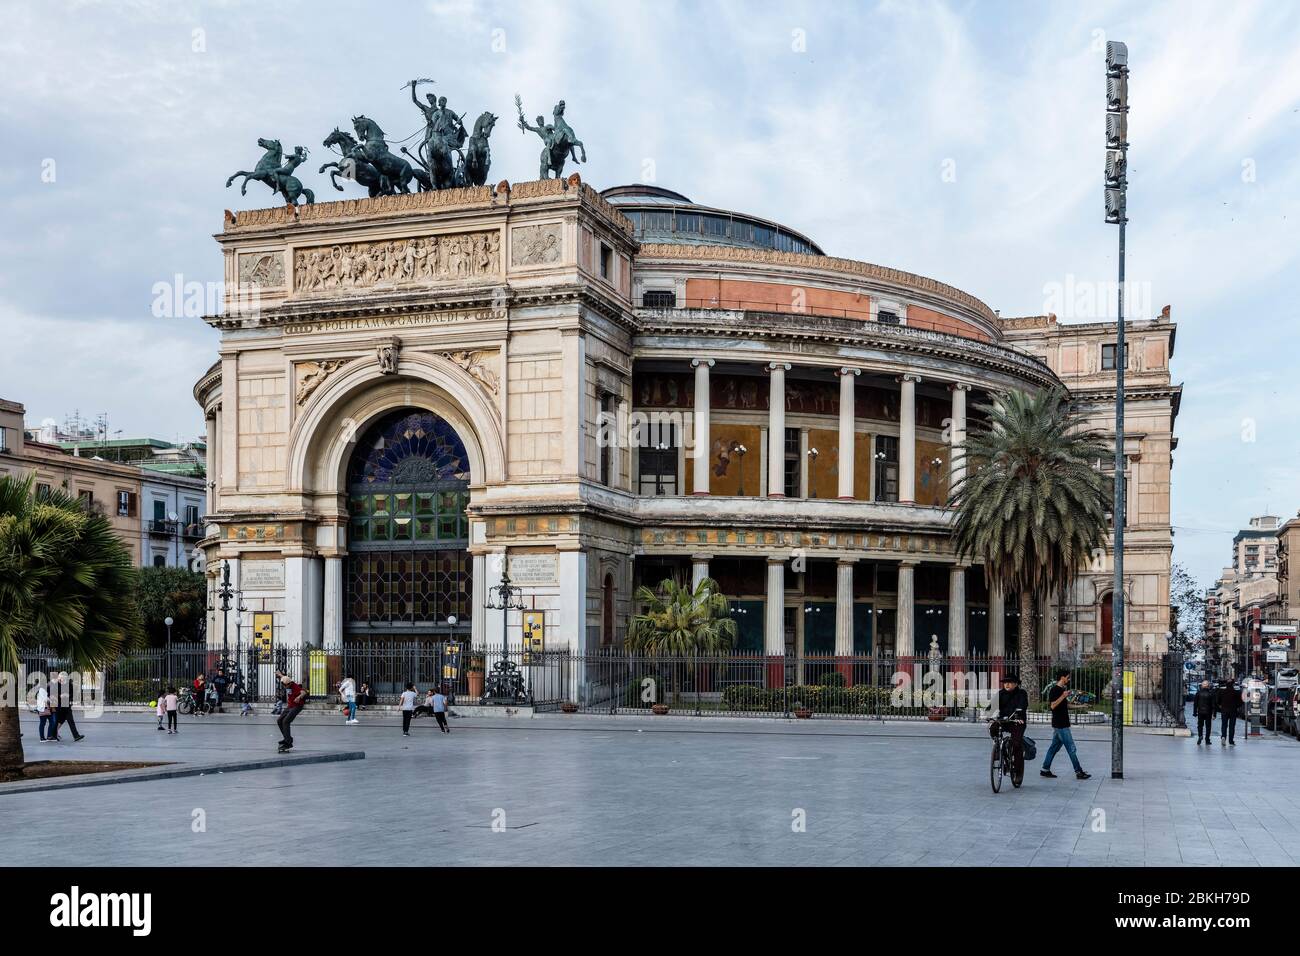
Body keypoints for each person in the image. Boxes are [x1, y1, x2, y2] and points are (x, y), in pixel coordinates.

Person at [1041, 669, 1090, 779]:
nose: (1069, 679)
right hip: (1060, 725)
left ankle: (1045, 769)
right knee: (1071, 748)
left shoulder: (1062, 690)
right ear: (1062, 677)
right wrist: (1063, 696)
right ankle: (1079, 772)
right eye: (1067, 677)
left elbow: (1066, 705)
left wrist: (1082, 706)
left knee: (1054, 748)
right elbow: (1052, 706)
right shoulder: (1054, 690)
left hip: (1062, 724)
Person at [993, 672, 1028, 784]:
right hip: (1003, 721)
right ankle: (998, 747)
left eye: (1010, 682)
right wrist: (987, 714)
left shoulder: (1021, 693)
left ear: (1016, 684)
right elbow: (992, 707)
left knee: (1016, 744)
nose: (1007, 684)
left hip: (1017, 721)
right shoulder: (1001, 693)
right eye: (1005, 682)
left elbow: (1022, 705)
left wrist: (1018, 715)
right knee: (993, 727)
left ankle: (1017, 772)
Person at [277, 674, 307, 753]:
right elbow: (283, 677)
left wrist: (298, 697)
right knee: (279, 720)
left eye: (286, 686)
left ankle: (288, 742)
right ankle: (287, 739)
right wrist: (279, 674)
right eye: (284, 685)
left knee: (286, 721)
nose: (285, 687)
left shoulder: (294, 686)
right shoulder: (286, 681)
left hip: (297, 706)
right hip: (290, 706)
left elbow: (304, 692)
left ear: (289, 683)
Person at [52, 671, 84, 742]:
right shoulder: (56, 685)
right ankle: (53, 735)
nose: (63, 679)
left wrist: (68, 695)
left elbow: (73, 694)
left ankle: (76, 736)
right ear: (59, 678)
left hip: (67, 706)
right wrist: (60, 696)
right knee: (58, 721)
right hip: (59, 706)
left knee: (71, 721)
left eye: (64, 678)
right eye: (62, 678)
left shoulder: (69, 685)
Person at [1192, 679, 1217, 745]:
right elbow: (1214, 705)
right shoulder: (1211, 694)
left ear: (1202, 686)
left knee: (1200, 725)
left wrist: (1194, 712)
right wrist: (1214, 714)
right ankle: (1207, 740)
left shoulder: (1198, 693)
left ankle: (1200, 736)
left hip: (1200, 712)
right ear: (1208, 686)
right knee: (1208, 726)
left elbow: (1195, 704)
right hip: (1208, 712)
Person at [1218, 679, 1241, 745]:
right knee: (1232, 726)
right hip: (1233, 710)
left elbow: (1218, 700)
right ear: (1233, 684)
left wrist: (1220, 705)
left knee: (1224, 725)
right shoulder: (1236, 692)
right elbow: (1240, 701)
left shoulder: (1222, 691)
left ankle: (1223, 736)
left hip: (1224, 710)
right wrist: (1237, 706)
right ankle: (1231, 740)